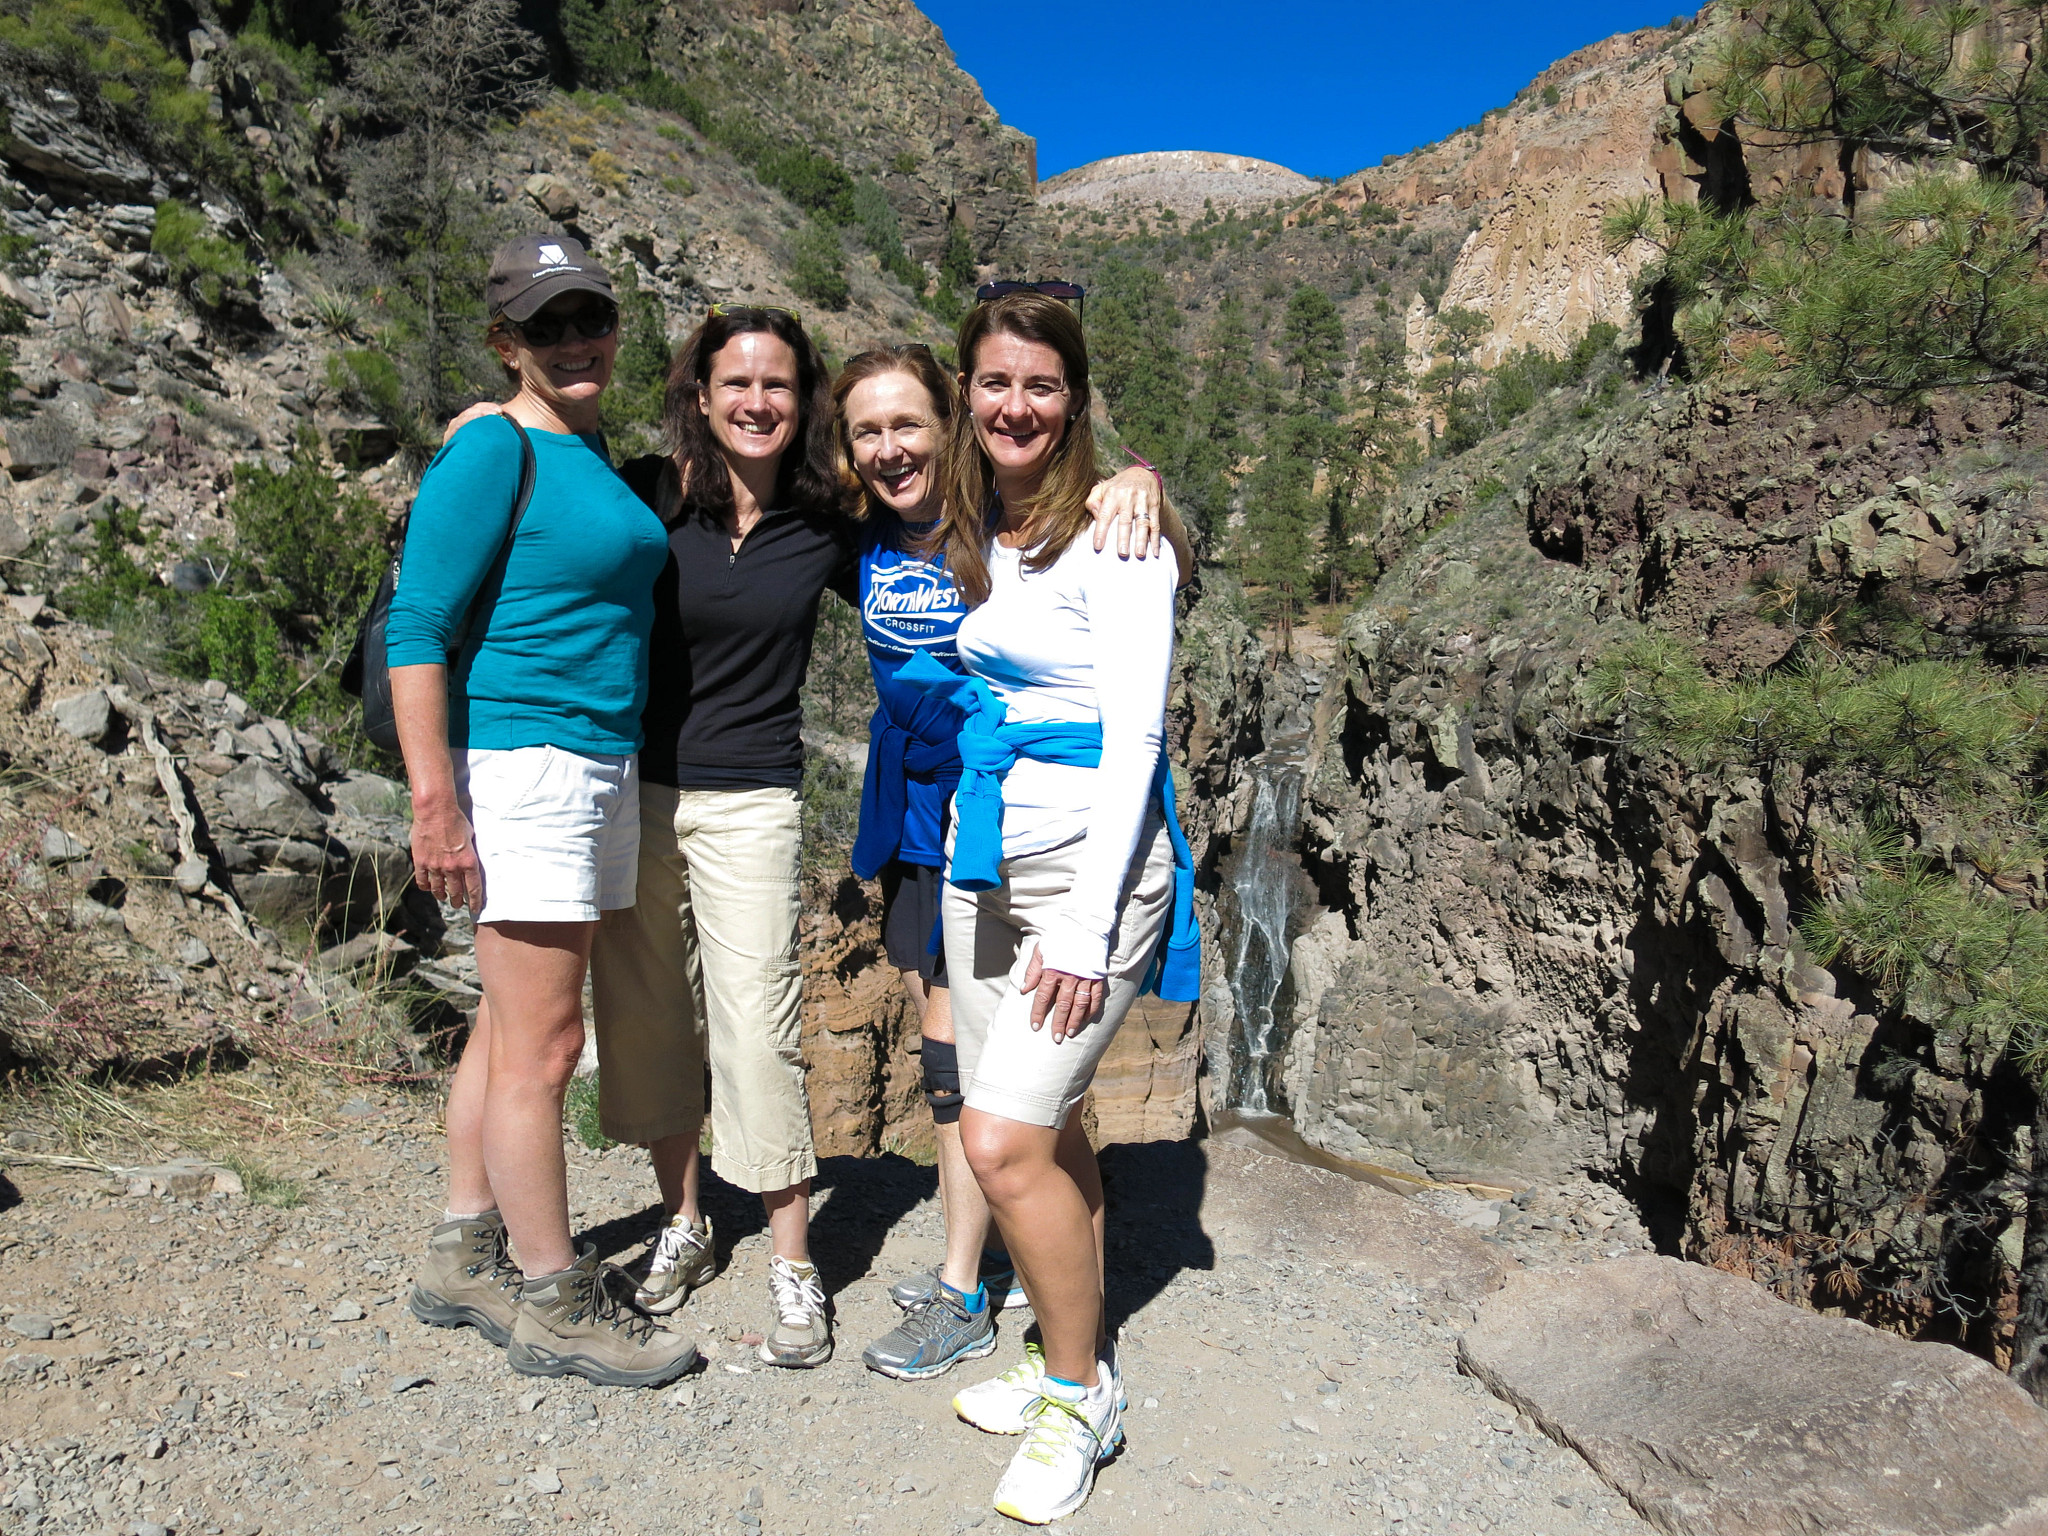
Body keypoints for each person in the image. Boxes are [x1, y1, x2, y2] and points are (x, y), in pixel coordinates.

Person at [447, 304, 1170, 1371]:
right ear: (700, 395)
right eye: (737, 384)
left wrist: (1138, 476)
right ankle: (691, 1220)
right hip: (695, 791)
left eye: (779, 386)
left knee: (844, 1042)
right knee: (658, 1024)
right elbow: (549, 478)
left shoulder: (887, 520)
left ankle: (894, 1272)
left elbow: (1054, 505)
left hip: (872, 800)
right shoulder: (671, 498)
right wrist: (489, 423)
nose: (757, 403)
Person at [835, 342, 1190, 1385]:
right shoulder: (886, 524)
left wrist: (1141, 479)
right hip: (947, 829)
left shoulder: (1020, 508)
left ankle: (1007, 1321)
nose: (891, 450)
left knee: (995, 1112)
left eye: (909, 425)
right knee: (974, 1080)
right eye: (867, 433)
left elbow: (1128, 565)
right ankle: (1026, 1309)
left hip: (1047, 833)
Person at [913, 291, 1199, 1524]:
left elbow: (1135, 735)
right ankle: (1057, 1355)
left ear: (1072, 399)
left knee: (1000, 1141)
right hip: (989, 862)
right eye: (994, 383)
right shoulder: (984, 518)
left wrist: (1085, 926)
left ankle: (1080, 1396)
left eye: (1039, 385)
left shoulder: (1116, 535)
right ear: (965, 394)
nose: (1014, 405)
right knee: (1048, 1121)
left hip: (1092, 872)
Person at [396, 234, 698, 1389]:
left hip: (589, 763)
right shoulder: (493, 445)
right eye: (546, 326)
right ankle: (554, 1296)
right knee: (546, 1045)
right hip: (531, 764)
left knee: (504, 1026)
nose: (575, 342)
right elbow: (420, 624)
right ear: (505, 342)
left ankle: (464, 1246)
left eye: (590, 319)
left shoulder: (581, 449)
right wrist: (435, 803)